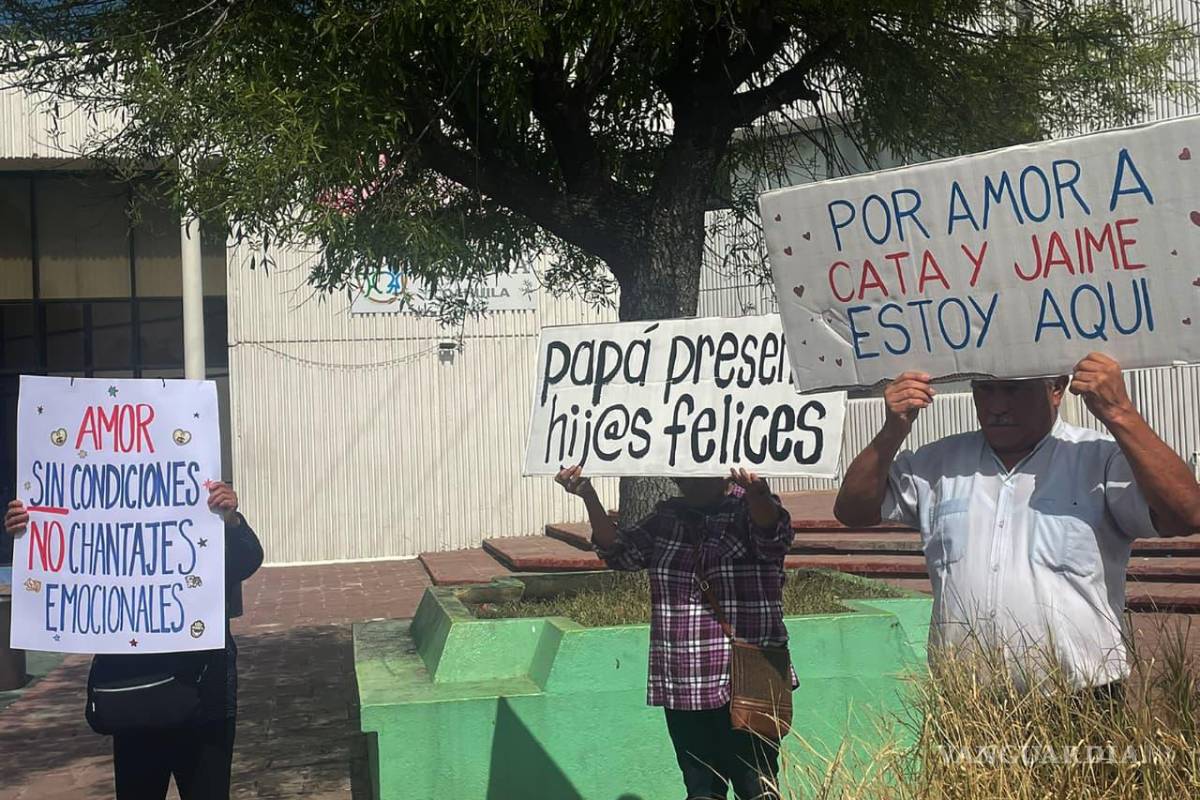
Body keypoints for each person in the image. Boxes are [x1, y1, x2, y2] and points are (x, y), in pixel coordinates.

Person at [834, 352, 1200, 694]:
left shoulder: (1098, 460)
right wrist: (892, 430)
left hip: (1079, 703)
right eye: (984, 390)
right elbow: (854, 510)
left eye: (1014, 389)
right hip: (967, 707)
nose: (997, 406)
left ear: (1056, 389)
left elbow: (1186, 514)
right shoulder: (939, 464)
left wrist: (1121, 414)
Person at [4, 481, 264, 800]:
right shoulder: (102, 514)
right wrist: (30, 529)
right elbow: (61, 563)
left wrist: (230, 520)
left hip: (203, 696)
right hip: (132, 693)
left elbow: (246, 560)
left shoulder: (201, 506)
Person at [556, 465, 794, 800]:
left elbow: (773, 538)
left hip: (747, 678)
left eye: (694, 473)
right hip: (684, 681)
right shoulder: (666, 518)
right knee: (701, 791)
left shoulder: (753, 510)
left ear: (723, 472)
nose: (683, 480)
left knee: (757, 788)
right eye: (680, 474)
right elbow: (620, 552)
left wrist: (758, 494)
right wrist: (588, 495)